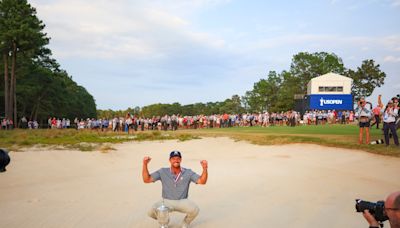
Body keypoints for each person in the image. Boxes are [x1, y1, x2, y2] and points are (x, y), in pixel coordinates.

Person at [142, 151, 208, 228]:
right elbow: (146, 180)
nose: (176, 160)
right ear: (170, 160)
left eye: (178, 158)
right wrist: (145, 164)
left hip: (182, 201)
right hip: (166, 201)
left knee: (195, 210)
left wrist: (204, 168)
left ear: (181, 160)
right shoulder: (163, 171)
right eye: (173, 158)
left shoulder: (188, 172)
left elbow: (202, 181)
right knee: (151, 212)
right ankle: (164, 221)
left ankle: (185, 223)